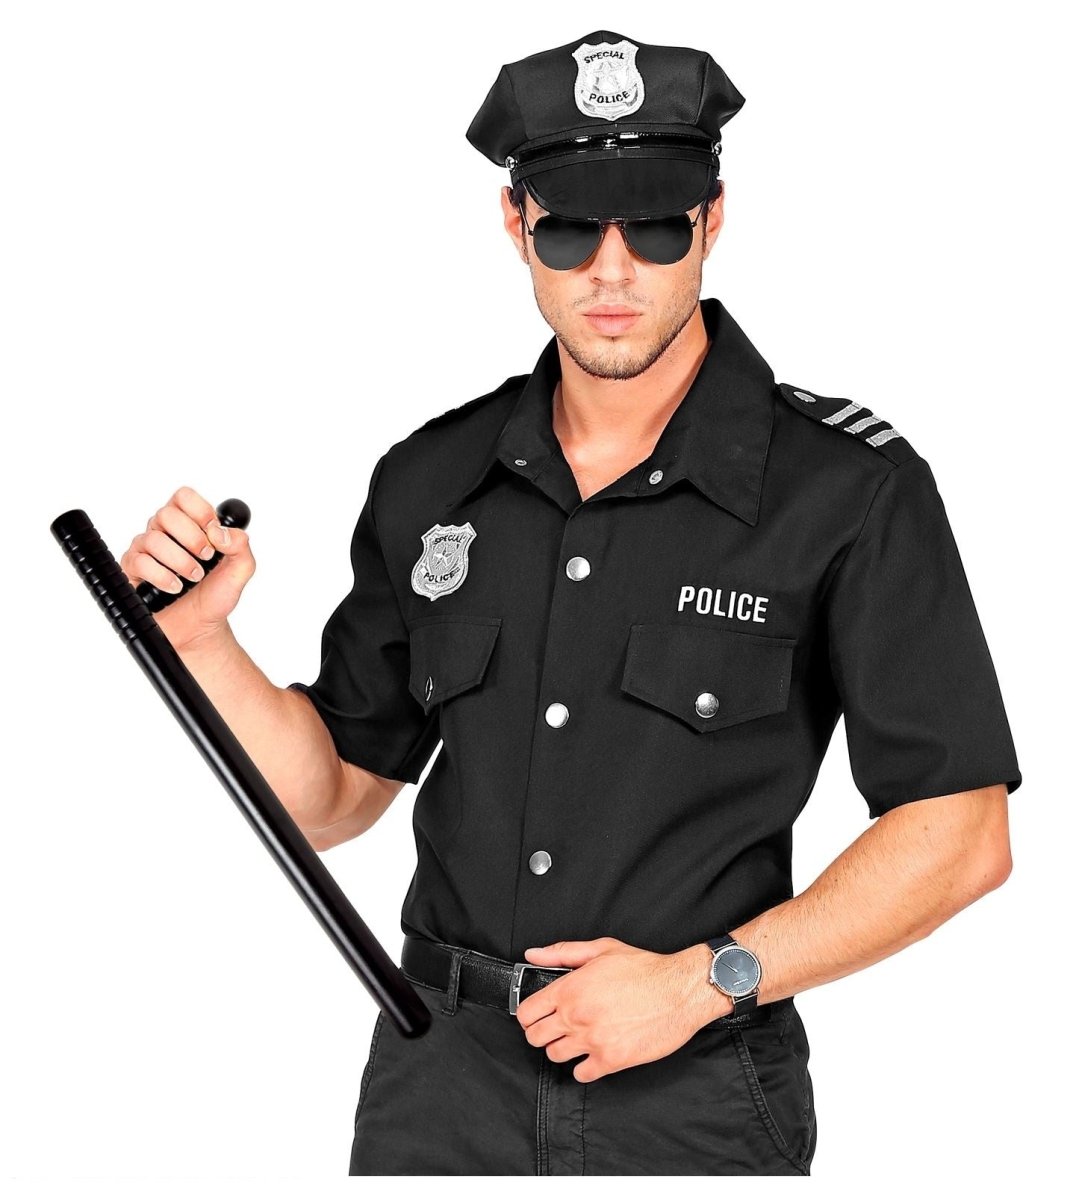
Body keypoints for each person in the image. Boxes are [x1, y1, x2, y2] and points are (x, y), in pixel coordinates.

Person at [119, 29, 1022, 1177]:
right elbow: (335, 797)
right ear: (515, 226)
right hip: (437, 1085)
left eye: (654, 227)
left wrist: (702, 983)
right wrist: (202, 643)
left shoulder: (844, 489)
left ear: (711, 219)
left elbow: (960, 833)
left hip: (692, 1092)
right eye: (569, 229)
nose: (611, 270)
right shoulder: (429, 481)